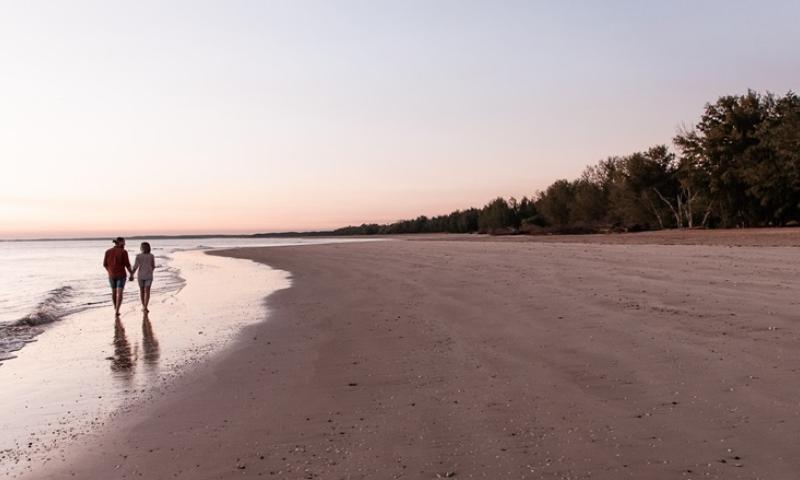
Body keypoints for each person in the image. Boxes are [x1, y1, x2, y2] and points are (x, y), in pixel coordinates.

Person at [103, 237, 132, 317]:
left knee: (114, 292)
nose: (125, 244)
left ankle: (115, 308)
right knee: (120, 293)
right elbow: (127, 265)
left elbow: (105, 264)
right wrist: (131, 274)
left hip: (111, 275)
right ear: (120, 243)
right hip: (121, 275)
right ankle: (117, 310)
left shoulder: (108, 251)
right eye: (124, 242)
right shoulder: (123, 251)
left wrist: (109, 271)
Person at [130, 242, 156, 312]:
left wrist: (132, 274)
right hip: (146, 276)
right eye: (143, 247)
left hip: (142, 276)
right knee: (146, 291)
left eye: (144, 247)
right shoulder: (150, 256)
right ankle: (145, 307)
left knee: (143, 291)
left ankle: (144, 306)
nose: (144, 248)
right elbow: (153, 266)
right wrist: (150, 271)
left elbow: (135, 267)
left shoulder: (142, 256)